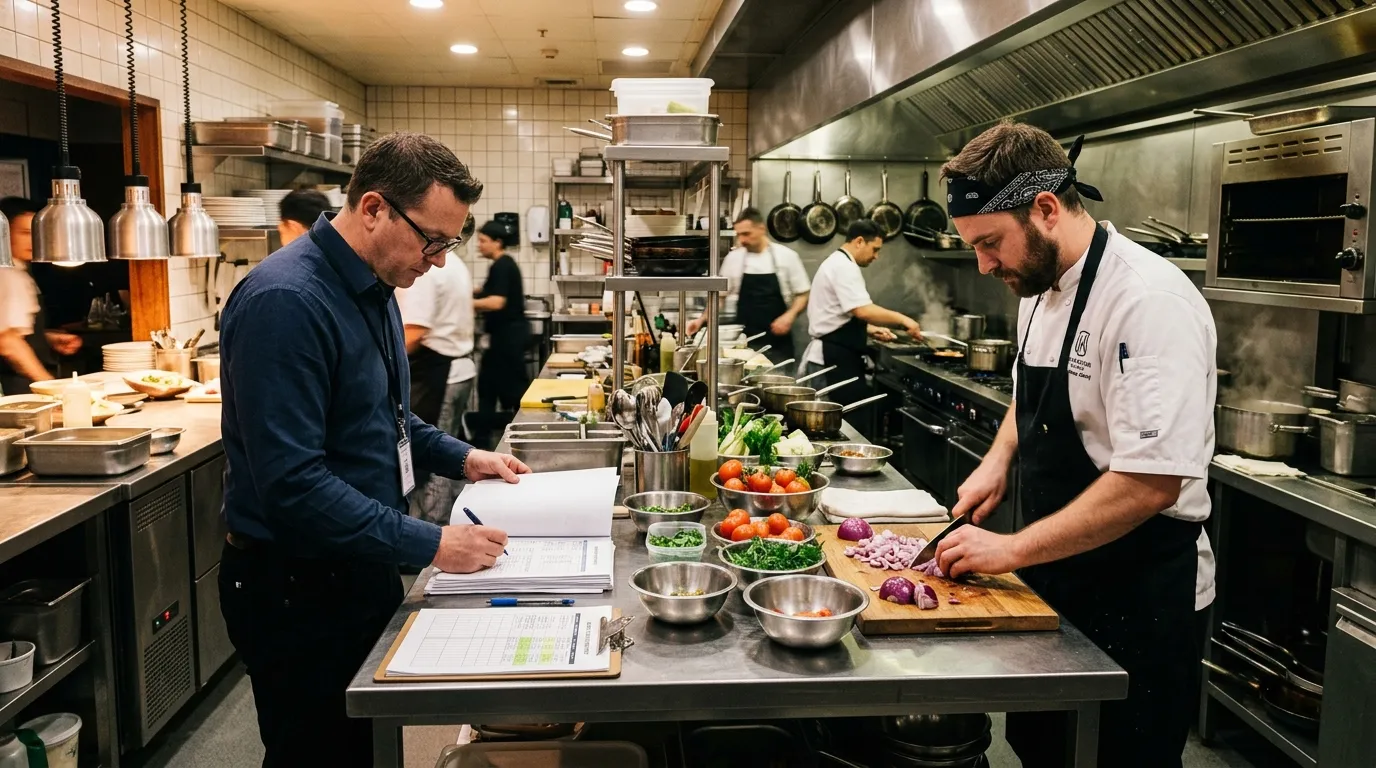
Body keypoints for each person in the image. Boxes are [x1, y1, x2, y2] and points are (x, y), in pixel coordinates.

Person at [217, 132, 529, 767]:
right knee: (318, 754)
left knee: (367, 748)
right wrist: (434, 543)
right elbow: (294, 485)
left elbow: (387, 418)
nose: (437, 261)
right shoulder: (287, 301)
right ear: (373, 208)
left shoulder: (374, 287)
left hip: (357, 565)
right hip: (296, 588)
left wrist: (464, 458)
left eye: (449, 244)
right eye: (431, 240)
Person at [934, 122, 1216, 768]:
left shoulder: (1147, 301)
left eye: (990, 243)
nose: (984, 265)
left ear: (1046, 209)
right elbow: (1030, 391)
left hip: (1138, 598)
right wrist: (997, 459)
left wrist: (1010, 549)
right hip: (1058, 577)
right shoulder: (1039, 285)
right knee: (1046, 751)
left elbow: (1150, 483)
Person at [803, 219, 920, 436]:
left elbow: (835, 314)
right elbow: (862, 310)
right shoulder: (843, 267)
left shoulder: (837, 262)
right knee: (835, 427)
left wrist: (868, 329)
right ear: (859, 241)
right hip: (831, 359)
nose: (876, 256)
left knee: (838, 424)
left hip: (834, 355)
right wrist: (904, 320)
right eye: (875, 249)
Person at [397, 248, 476, 525]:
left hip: (438, 373)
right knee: (449, 454)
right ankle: (449, 523)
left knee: (432, 463)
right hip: (455, 368)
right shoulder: (454, 262)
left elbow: (414, 331)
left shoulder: (425, 269)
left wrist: (372, 363)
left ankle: (434, 530)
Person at [686, 208, 809, 364]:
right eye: (739, 234)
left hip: (778, 340)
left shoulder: (786, 256)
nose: (742, 239)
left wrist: (789, 316)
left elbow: (803, 294)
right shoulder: (733, 258)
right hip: (744, 343)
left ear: (761, 229)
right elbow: (720, 298)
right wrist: (701, 320)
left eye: (746, 234)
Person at [0, 197, 82, 395]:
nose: (33, 240)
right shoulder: (7, 275)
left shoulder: (19, 271)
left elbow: (12, 327)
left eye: (36, 232)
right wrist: (50, 386)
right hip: (17, 386)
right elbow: (7, 342)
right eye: (24, 233)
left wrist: (47, 339)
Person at [472, 220, 530, 444]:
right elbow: (488, 291)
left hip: (507, 339)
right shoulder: (501, 265)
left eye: (483, 241)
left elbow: (497, 301)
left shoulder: (502, 265)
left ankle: (518, 435)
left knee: (507, 389)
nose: (479, 245)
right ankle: (485, 437)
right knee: (492, 387)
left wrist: (464, 303)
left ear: (497, 242)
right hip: (504, 339)